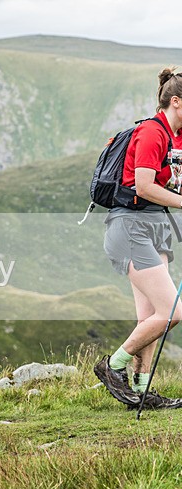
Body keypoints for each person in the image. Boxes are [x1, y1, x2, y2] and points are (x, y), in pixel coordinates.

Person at [95, 67, 182, 410]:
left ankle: (141, 390)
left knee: (150, 317)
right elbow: (144, 186)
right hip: (130, 227)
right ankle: (112, 365)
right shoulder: (151, 133)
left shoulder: (176, 137)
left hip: (153, 228)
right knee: (173, 311)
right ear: (176, 102)